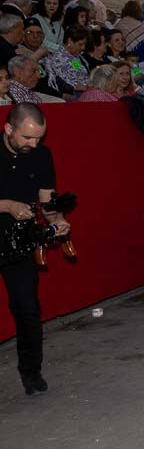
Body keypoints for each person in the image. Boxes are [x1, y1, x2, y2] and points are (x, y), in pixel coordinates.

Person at [0, 103, 70, 395]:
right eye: (27, 138)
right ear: (8, 129)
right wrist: (5, 205)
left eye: (38, 138)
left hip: (19, 241)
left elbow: (47, 201)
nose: (33, 144)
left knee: (28, 309)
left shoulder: (42, 155)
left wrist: (59, 220)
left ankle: (31, 373)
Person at [43, 26, 90, 96]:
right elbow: (62, 82)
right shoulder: (58, 58)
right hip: (74, 94)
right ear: (70, 41)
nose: (83, 47)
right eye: (80, 44)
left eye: (84, 44)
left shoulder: (78, 56)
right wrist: (82, 87)